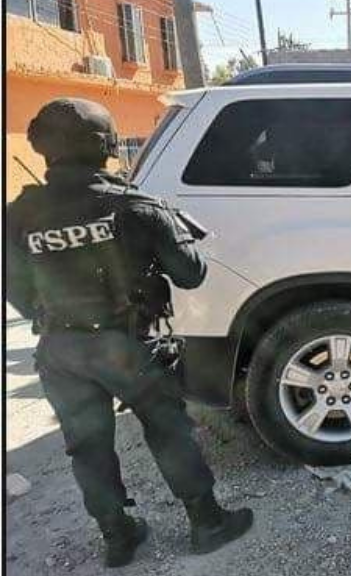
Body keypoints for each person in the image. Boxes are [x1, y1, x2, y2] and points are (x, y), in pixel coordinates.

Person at [5, 99, 253, 567]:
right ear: (106, 146)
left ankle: (118, 538)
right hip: (128, 347)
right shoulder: (137, 205)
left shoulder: (15, 216)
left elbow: (15, 291)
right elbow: (191, 274)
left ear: (42, 148)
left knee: (87, 444)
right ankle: (207, 523)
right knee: (168, 431)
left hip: (60, 349)